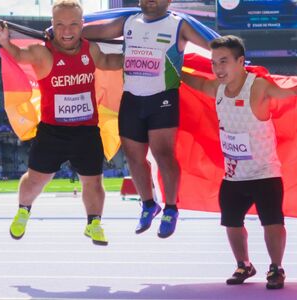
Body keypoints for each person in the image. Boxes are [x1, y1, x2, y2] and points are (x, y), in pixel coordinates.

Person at [181, 35, 297, 289]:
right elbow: (195, 82)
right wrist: (171, 68)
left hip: (264, 173)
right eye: (214, 63)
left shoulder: (256, 87)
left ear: (240, 61)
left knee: (272, 222)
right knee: (231, 223)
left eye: (223, 62)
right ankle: (244, 264)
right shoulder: (217, 89)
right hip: (233, 175)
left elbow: (287, 91)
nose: (217, 69)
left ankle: (276, 268)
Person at [0, 0, 123, 245]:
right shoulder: (43, 53)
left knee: (93, 181)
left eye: (73, 24)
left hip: (86, 131)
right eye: (60, 24)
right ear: (52, 25)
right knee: (35, 180)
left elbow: (108, 62)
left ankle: (94, 223)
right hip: (53, 132)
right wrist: (4, 40)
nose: (67, 30)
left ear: (82, 25)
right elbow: (19, 55)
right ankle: (23, 210)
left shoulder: (90, 49)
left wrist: (132, 59)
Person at [81, 0, 211, 238]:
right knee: (133, 157)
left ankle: (171, 208)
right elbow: (92, 32)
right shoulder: (128, 22)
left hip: (163, 99)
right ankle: (149, 204)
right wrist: (64, 31)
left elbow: (215, 45)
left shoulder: (179, 25)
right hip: (132, 99)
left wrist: (235, 57)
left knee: (163, 154)